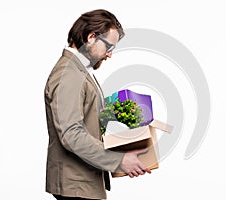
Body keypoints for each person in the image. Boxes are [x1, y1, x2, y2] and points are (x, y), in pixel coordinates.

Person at [44, 9, 151, 200]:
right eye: (108, 47)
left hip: (82, 184)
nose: (109, 55)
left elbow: (83, 116)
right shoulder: (69, 74)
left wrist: (116, 112)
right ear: (91, 37)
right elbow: (71, 134)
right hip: (76, 186)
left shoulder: (79, 70)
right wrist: (119, 160)